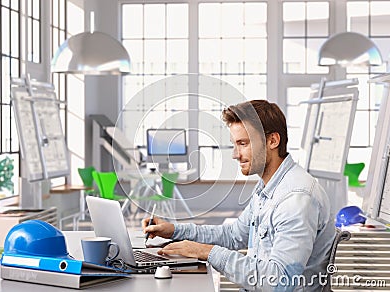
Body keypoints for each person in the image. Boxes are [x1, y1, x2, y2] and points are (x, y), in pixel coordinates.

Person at [142, 100, 335, 291]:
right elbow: (234, 236)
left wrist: (205, 252)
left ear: (273, 141)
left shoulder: (296, 198)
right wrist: (174, 230)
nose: (235, 154)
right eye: (235, 144)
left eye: (243, 143)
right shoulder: (268, 187)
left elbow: (279, 281)